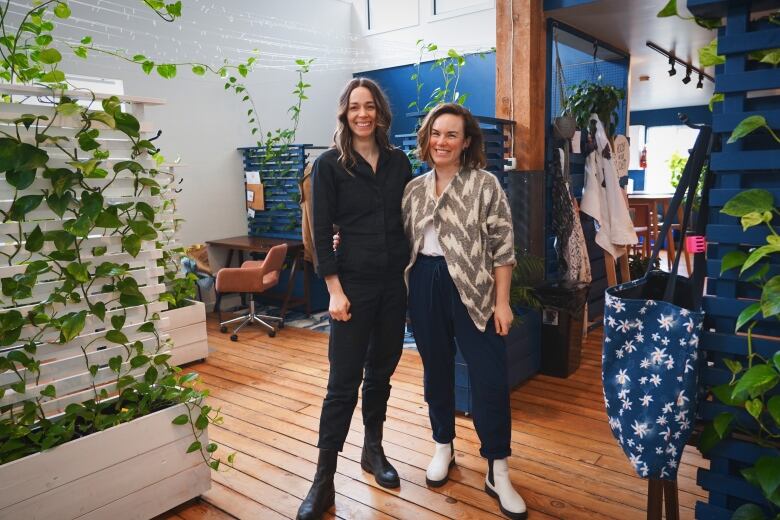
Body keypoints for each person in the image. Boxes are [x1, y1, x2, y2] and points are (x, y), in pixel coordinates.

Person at [401, 103, 527, 520]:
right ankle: (443, 446)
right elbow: (404, 242)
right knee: (435, 368)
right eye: (436, 133)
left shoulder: (484, 185)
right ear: (426, 138)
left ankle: (498, 467)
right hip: (424, 281)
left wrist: (503, 301)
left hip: (473, 287)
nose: (442, 141)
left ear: (466, 141)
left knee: (489, 375)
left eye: (451, 134)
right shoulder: (414, 190)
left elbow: (503, 247)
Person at [297, 78, 412, 520]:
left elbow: (411, 220)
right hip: (352, 287)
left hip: (392, 287)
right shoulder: (329, 165)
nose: (362, 114)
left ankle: (373, 450)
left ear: (380, 113)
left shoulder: (399, 162)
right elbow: (322, 232)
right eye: (354, 107)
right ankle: (322, 481)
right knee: (341, 385)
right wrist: (334, 290)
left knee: (380, 374)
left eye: (370, 107)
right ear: (344, 114)